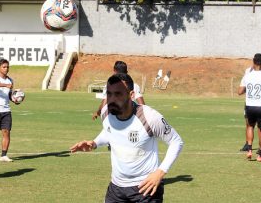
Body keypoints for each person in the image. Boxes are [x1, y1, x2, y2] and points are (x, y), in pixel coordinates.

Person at [71, 73, 183, 202]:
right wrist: (95, 142)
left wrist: (160, 172)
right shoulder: (106, 112)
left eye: (118, 94)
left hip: (145, 188)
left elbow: (176, 141)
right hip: (116, 188)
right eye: (109, 94)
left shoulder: (149, 117)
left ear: (131, 95)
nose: (112, 99)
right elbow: (109, 131)